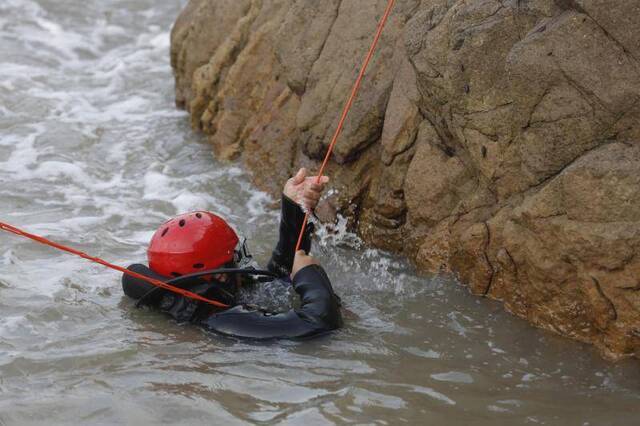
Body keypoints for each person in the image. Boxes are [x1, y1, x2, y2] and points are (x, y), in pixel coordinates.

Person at [121, 168, 342, 339]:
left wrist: (294, 207)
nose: (241, 264)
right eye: (234, 258)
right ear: (220, 275)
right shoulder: (225, 320)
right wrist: (310, 276)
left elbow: (277, 277)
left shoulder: (205, 300)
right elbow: (319, 322)